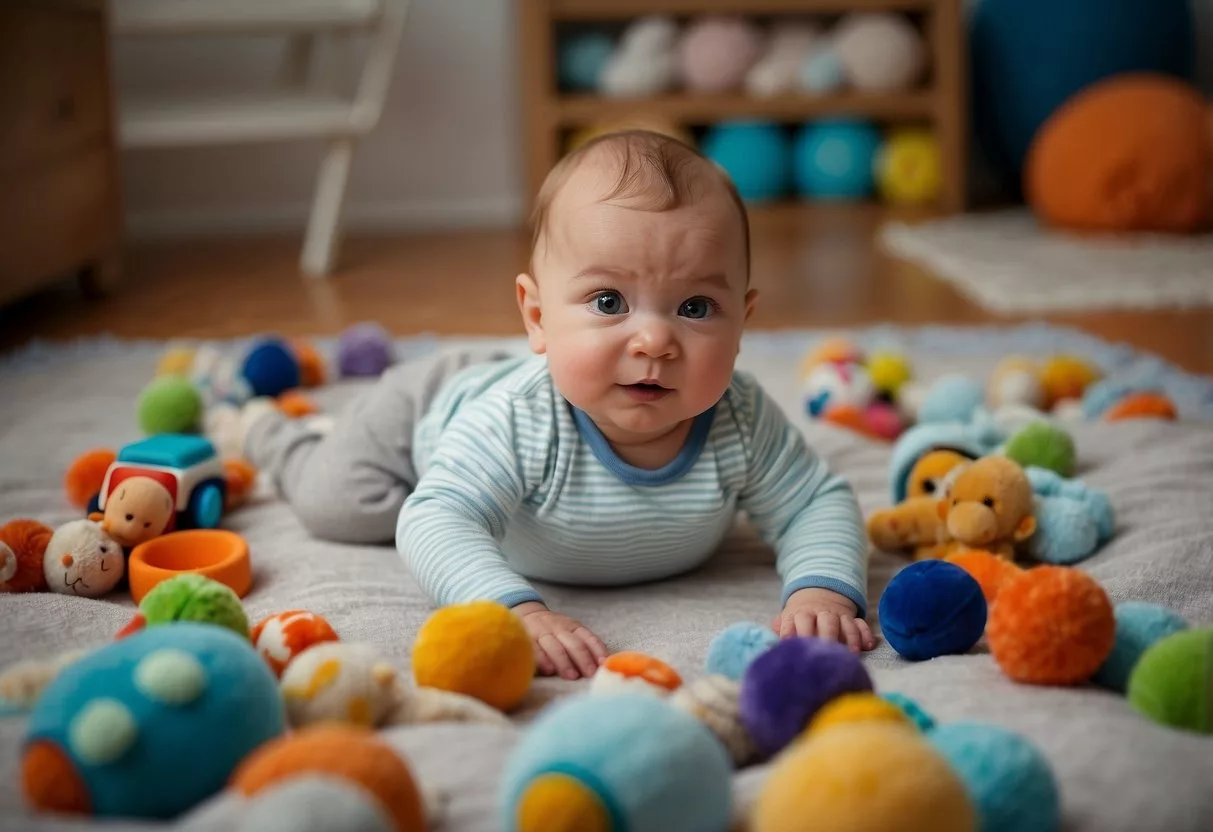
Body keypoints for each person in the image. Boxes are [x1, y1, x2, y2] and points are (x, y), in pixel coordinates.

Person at [231, 130, 874, 681]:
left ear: (742, 322)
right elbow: (437, 519)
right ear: (536, 316)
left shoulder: (741, 418)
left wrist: (820, 586)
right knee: (343, 505)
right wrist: (517, 610)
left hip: (501, 416)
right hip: (432, 406)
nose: (654, 340)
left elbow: (816, 500)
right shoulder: (519, 421)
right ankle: (273, 432)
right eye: (608, 302)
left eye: (696, 307)